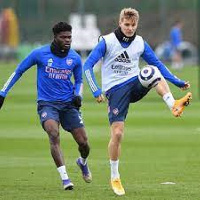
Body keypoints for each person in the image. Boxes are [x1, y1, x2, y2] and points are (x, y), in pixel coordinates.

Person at [83, 8, 192, 196]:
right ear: (120, 23)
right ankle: (115, 177)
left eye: (133, 25)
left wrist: (177, 81)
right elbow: (87, 66)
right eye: (127, 24)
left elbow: (158, 64)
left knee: (150, 70)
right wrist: (95, 89)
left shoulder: (140, 42)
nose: (130, 28)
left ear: (136, 25)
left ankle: (173, 104)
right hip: (115, 90)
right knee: (117, 134)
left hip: (134, 85)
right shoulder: (107, 41)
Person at [0, 22, 92, 190]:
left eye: (69, 37)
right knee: (53, 133)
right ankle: (65, 179)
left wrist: (78, 95)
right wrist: (3, 93)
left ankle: (83, 162)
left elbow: (79, 80)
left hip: (68, 105)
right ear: (55, 37)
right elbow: (18, 71)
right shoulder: (39, 54)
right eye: (63, 37)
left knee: (84, 143)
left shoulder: (75, 58)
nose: (67, 40)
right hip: (47, 104)